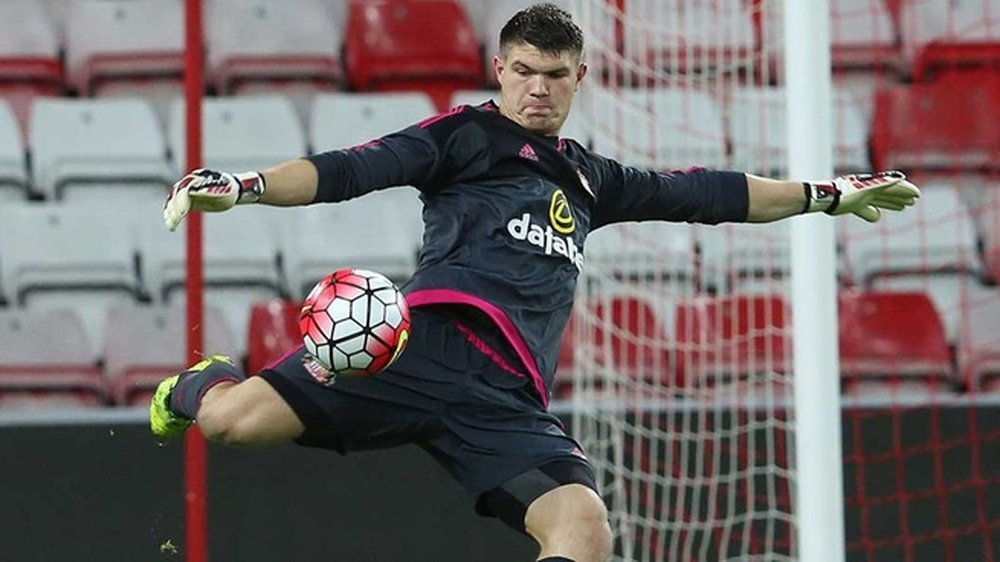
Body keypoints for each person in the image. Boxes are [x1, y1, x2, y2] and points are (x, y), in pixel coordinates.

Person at [150, 4, 920, 562]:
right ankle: (202, 383)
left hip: (507, 398)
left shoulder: (592, 179)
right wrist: (245, 184)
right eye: (523, 72)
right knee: (230, 424)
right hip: (417, 348)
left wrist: (827, 195)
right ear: (500, 69)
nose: (537, 89)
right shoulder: (466, 137)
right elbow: (352, 169)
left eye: (554, 76)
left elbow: (708, 193)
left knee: (582, 529)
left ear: (579, 77)